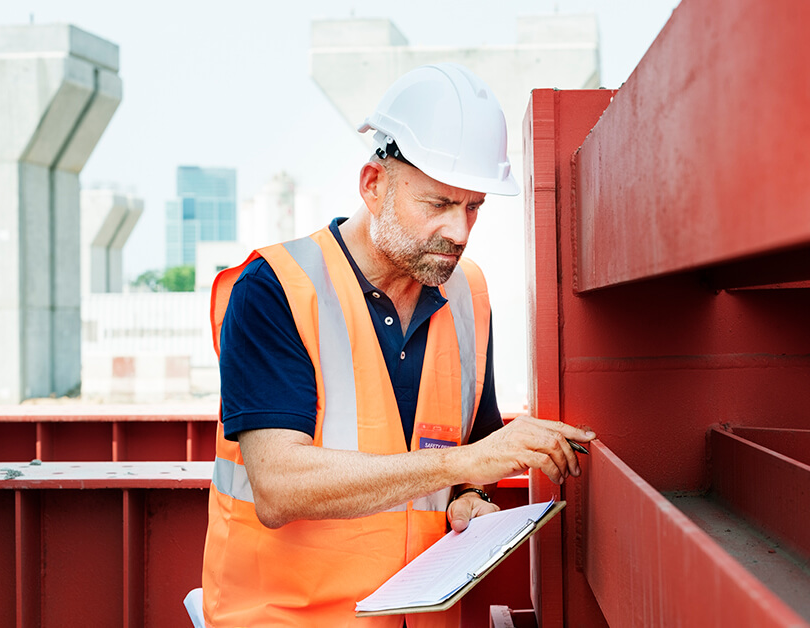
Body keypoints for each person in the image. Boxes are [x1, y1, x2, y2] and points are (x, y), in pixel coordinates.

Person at [201, 63, 595, 628]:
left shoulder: (467, 293)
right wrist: (469, 462)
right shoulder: (275, 289)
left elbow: (465, 456)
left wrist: (466, 495)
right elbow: (278, 486)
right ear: (373, 184)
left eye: (473, 206)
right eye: (437, 204)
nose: (459, 232)